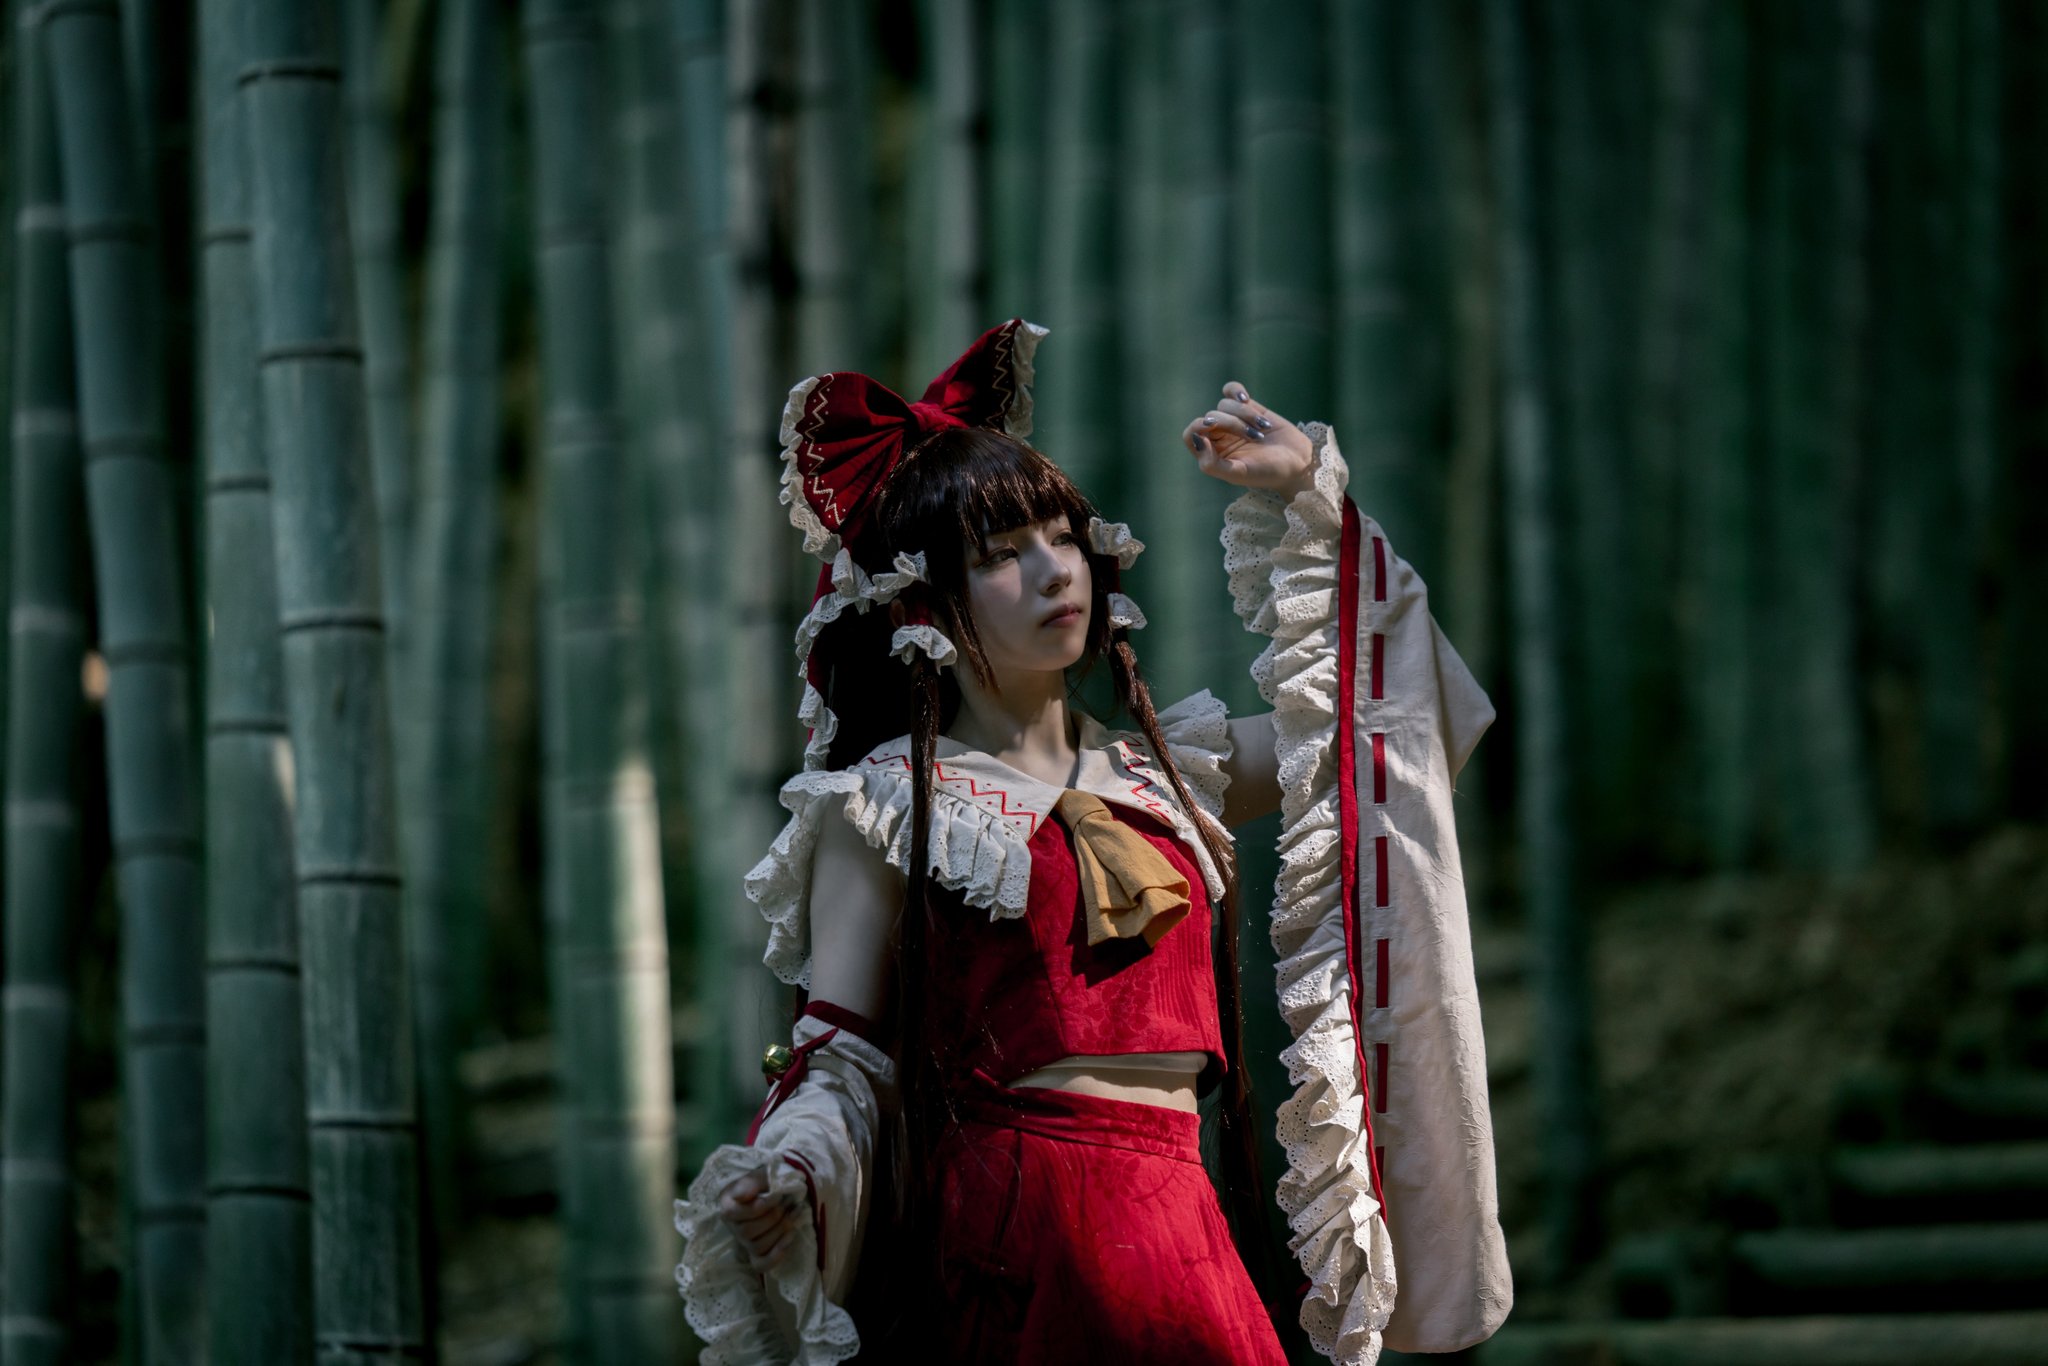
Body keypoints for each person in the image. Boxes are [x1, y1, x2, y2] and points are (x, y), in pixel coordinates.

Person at [674, 319, 1511, 1366]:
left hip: (1189, 1237)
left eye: (1061, 537)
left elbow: (1401, 728)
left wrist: (1309, 499)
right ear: (921, 602)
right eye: (1000, 554)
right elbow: (841, 1054)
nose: (1052, 571)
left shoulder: (1174, 769)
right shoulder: (885, 803)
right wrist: (791, 1177)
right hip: (1008, 1255)